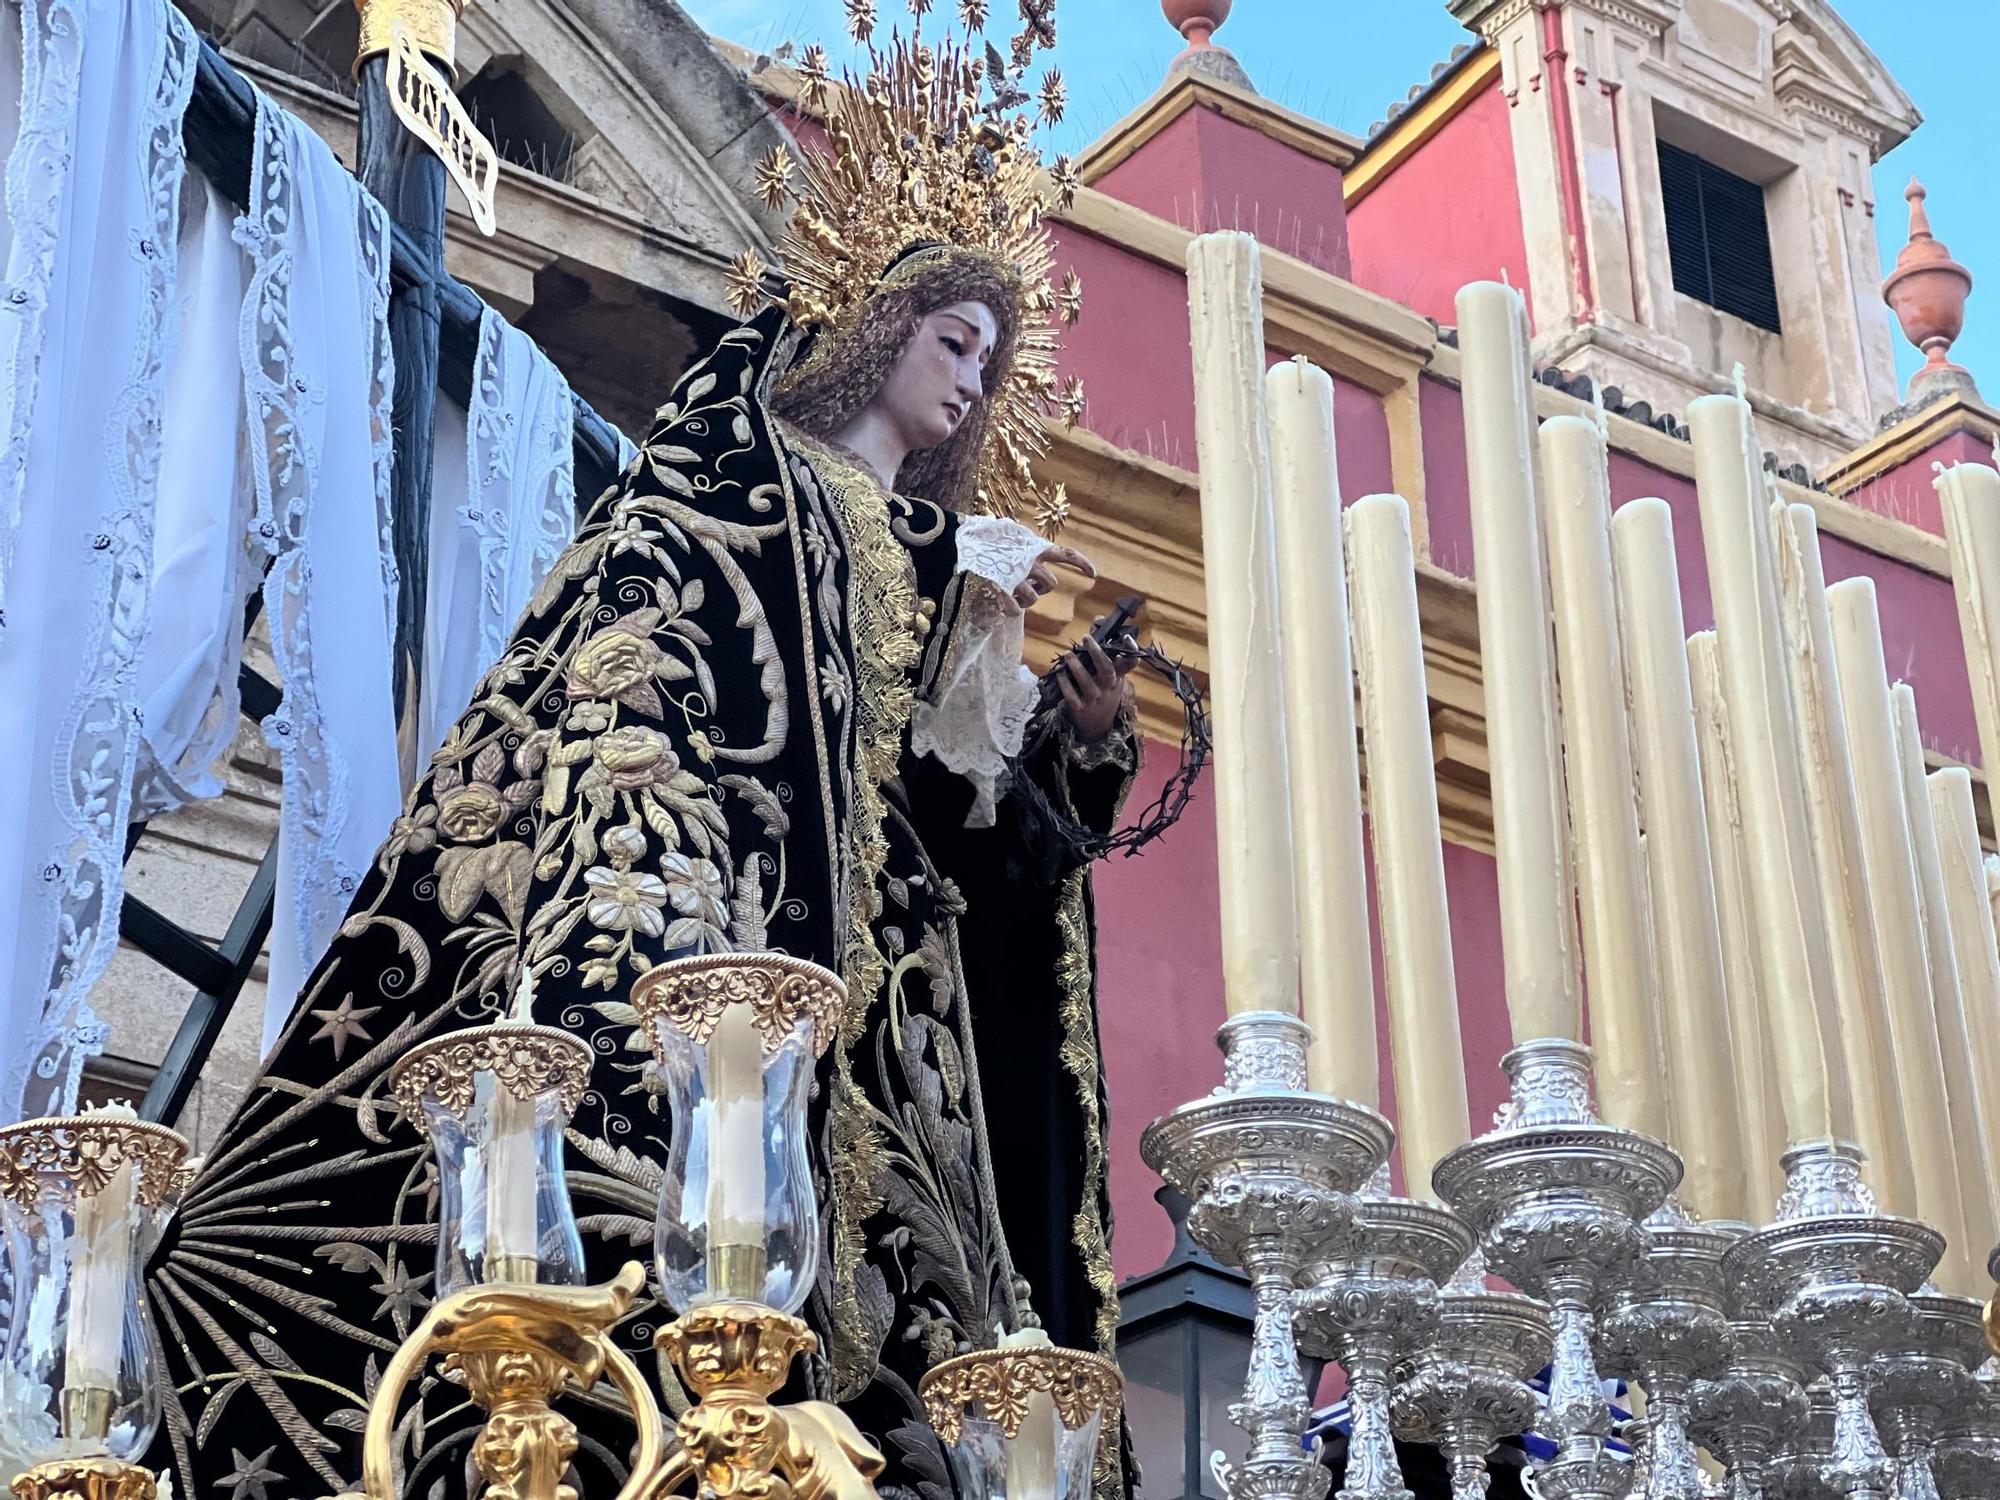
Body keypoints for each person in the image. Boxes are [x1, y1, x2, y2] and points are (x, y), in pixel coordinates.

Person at [145, 17, 1137, 1500]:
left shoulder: (944, 578)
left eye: (990, 363)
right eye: (951, 340)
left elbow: (946, 827)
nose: (969, 383)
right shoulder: (732, 495)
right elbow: (648, 691)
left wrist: (1067, 753)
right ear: (871, 323)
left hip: (900, 1063)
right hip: (741, 986)